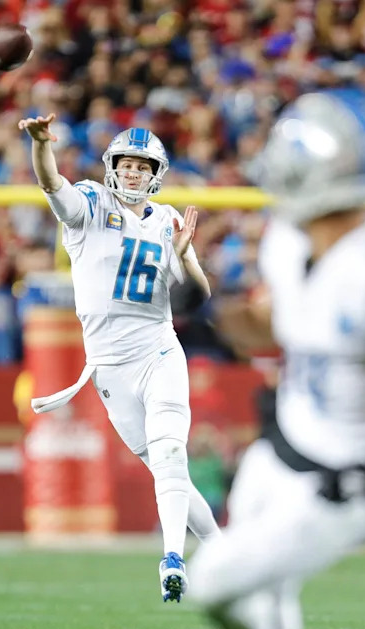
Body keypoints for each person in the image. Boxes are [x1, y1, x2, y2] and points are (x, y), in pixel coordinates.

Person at [189, 90, 365, 629]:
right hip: (284, 445)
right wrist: (211, 314)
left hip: (345, 477)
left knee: (212, 583)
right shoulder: (286, 240)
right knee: (266, 595)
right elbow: (280, 320)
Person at [17, 115, 220, 602]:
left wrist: (186, 257)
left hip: (158, 348)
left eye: (141, 166)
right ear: (113, 167)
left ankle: (173, 558)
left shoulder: (168, 220)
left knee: (172, 453)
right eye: (125, 164)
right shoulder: (90, 203)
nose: (131, 173)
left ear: (156, 173)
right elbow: (50, 182)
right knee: (169, 473)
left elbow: (199, 296)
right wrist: (42, 145)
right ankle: (224, 548)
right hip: (109, 364)